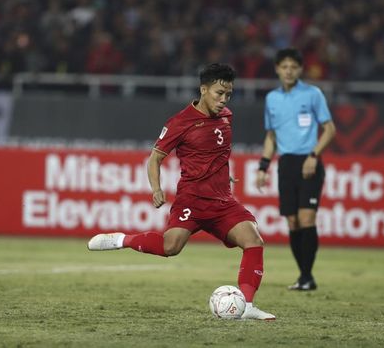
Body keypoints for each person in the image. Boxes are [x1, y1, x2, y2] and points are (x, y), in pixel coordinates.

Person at [87, 63, 275, 320]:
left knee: (253, 241)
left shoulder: (226, 116)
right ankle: (122, 240)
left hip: (222, 201)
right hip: (193, 200)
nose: (223, 100)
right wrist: (156, 189)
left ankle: (248, 307)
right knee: (170, 247)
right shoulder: (180, 122)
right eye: (219, 93)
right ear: (203, 89)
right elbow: (154, 158)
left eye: (228, 95)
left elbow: (216, 152)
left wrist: (222, 172)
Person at [256, 48, 336, 291]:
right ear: (277, 69)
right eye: (284, 66)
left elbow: (330, 129)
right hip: (286, 163)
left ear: (300, 70)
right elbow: (271, 136)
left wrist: (314, 155)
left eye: (293, 66)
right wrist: (263, 166)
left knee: (306, 218)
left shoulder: (313, 94)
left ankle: (307, 276)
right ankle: (304, 277)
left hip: (309, 162)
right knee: (292, 221)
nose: (288, 71)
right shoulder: (272, 99)